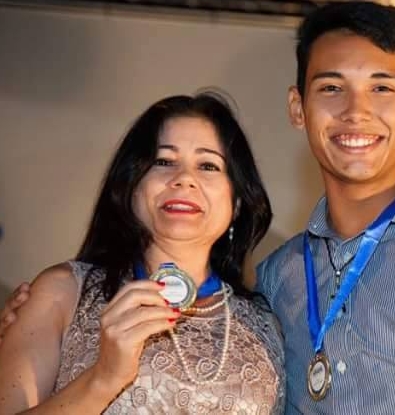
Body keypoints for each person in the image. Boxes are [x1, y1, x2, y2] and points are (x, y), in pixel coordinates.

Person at [2, 2, 395, 414]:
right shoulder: (278, 278)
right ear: (298, 108)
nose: (355, 111)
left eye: (381, 88)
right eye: (331, 88)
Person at [0, 93, 285, 414]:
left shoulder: (267, 324)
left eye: (208, 165)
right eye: (164, 161)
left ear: (237, 203)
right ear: (131, 185)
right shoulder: (63, 292)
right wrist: (102, 379)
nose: (184, 179)